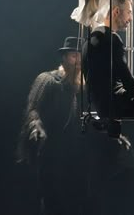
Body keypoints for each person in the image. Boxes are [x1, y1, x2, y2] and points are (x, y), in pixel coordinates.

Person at [17, 36, 87, 215]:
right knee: (51, 200)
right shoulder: (48, 80)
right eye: (73, 56)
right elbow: (33, 109)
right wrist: (36, 126)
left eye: (80, 57)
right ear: (64, 58)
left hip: (73, 155)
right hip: (50, 152)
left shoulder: (82, 87)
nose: (78, 61)